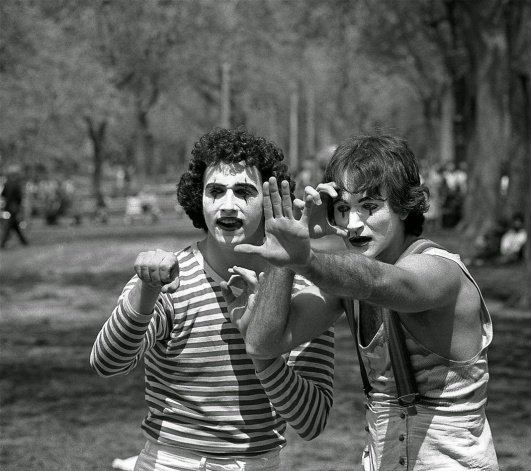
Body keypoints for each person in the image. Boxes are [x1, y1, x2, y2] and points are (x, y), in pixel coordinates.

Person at [235, 134, 499, 470]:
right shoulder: (344, 281)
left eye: (370, 207)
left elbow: (378, 281)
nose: (354, 223)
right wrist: (284, 256)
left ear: (404, 205)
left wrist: (307, 260)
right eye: (343, 209)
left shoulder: (441, 271)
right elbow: (262, 343)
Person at [90, 127, 335, 471]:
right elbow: (107, 363)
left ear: (268, 202)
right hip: (170, 461)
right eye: (216, 191)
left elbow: (311, 422)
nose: (228, 204)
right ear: (198, 199)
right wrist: (146, 292)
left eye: (244, 191)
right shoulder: (168, 279)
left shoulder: (297, 292)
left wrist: (261, 345)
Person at [1, 164, 29, 249]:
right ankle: (4, 242)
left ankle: (23, 241)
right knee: (11, 225)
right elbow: (19, 197)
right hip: (14, 208)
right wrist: (19, 206)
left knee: (13, 225)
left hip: (8, 207)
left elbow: (3, 195)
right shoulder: (17, 184)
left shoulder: (7, 184)